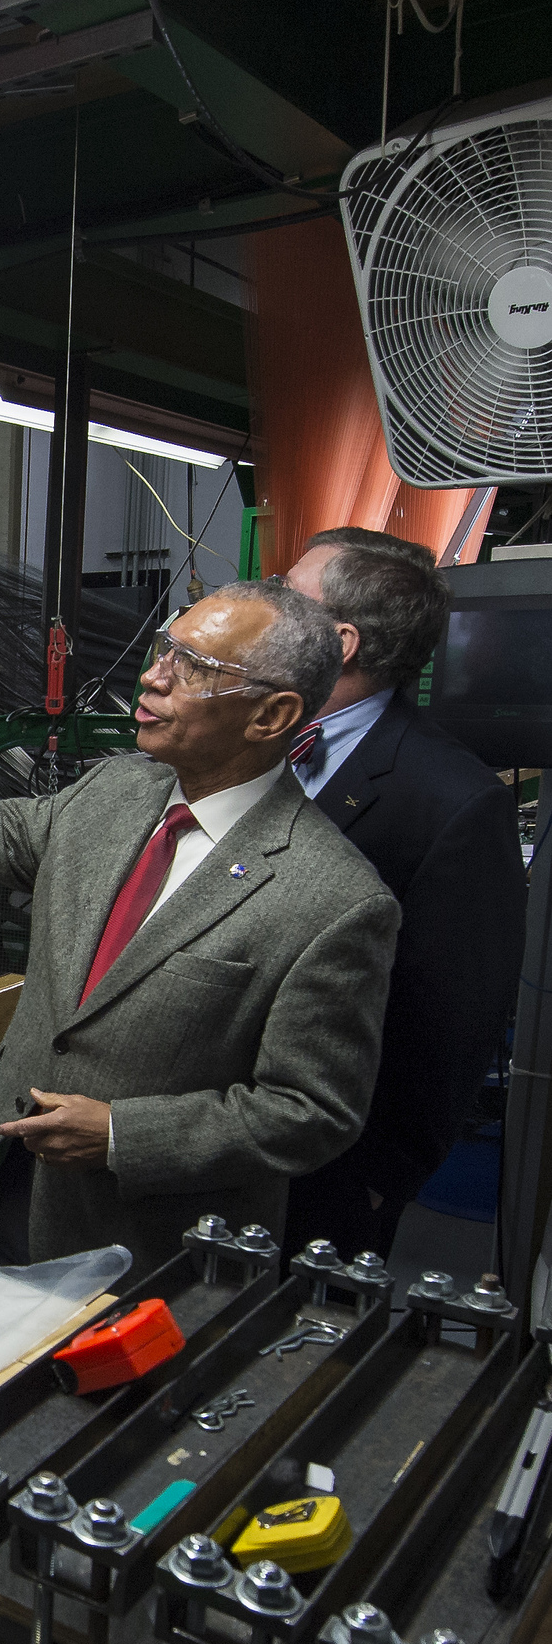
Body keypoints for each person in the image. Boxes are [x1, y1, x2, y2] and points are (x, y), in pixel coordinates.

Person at [0, 574, 400, 1274]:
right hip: (22, 1182)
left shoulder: (333, 899)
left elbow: (311, 1111)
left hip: (155, 1239)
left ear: (272, 716)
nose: (153, 677)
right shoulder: (118, 790)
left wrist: (126, 1135)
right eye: (164, 649)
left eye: (194, 667)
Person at [282, 527, 526, 1257]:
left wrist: (383, 1177)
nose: (264, 606)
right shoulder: (250, 740)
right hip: (206, 1141)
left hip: (325, 1169)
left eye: (288, 596)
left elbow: (452, 1016)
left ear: (342, 641)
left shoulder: (453, 799)